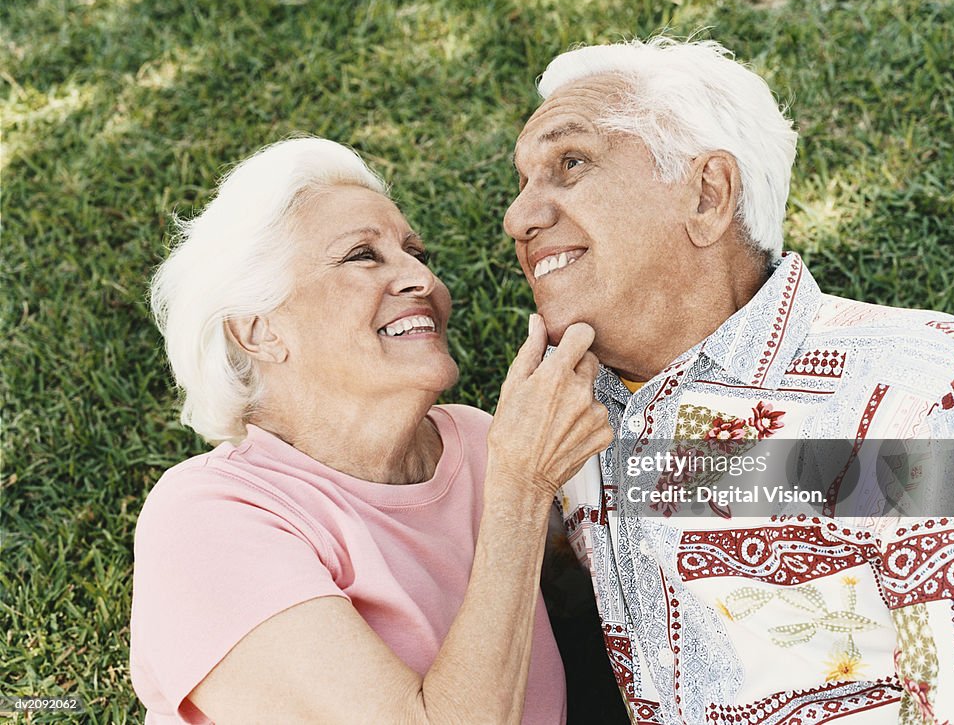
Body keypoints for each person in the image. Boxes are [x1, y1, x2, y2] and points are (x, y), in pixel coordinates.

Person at [504, 37, 954, 724]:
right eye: (522, 184)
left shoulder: (925, 398)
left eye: (571, 163)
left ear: (708, 194)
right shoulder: (566, 419)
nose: (518, 219)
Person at [130, 136, 612, 724]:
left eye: (415, 252)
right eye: (363, 255)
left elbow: (684, 500)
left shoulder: (481, 443)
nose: (421, 279)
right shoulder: (208, 518)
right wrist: (521, 490)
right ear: (258, 331)